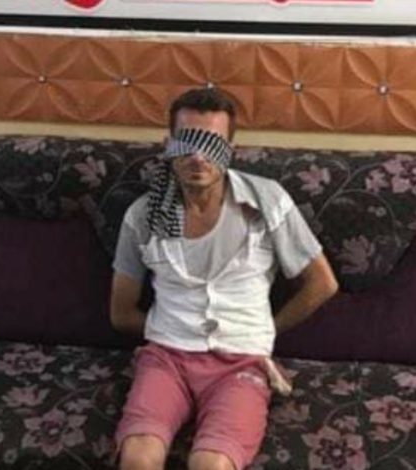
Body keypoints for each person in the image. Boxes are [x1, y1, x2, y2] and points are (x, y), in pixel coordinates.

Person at [110, 88, 338, 470]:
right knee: (137, 458)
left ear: (230, 149)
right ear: (169, 146)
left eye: (212, 144)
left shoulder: (266, 201)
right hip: (166, 359)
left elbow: (322, 284)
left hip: (241, 364)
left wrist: (263, 332)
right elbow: (120, 313)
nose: (198, 157)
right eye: (188, 142)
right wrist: (171, 329)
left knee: (211, 464)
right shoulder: (143, 216)